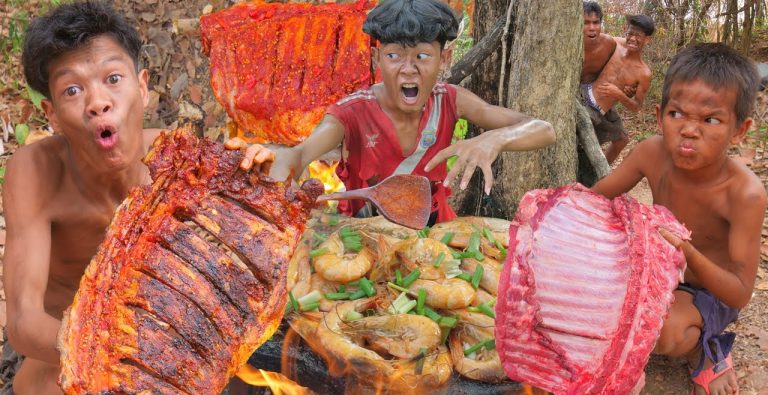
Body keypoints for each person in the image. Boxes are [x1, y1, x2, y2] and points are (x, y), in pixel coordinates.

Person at [1, 2, 274, 395]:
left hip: (157, 348)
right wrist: (115, 364)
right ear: (51, 115)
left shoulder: (178, 160)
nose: (98, 102)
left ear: (143, 88)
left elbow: (224, 273)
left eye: (113, 79)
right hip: (62, 342)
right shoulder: (36, 171)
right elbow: (21, 320)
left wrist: (255, 184)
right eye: (72, 90)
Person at [232, 0, 556, 224]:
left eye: (422, 57)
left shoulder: (451, 100)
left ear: (444, 59)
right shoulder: (352, 112)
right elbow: (302, 154)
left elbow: (544, 129)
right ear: (376, 59)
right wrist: (278, 158)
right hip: (362, 236)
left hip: (434, 232)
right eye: (394, 56)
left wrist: (496, 140)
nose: (408, 70)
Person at [592, 43, 765, 395]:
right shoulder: (650, 154)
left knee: (663, 333)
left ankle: (704, 351)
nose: (688, 130)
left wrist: (686, 253)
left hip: (709, 291)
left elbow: (738, 293)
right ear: (658, 116)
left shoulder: (745, 193)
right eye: (676, 114)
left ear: (740, 130)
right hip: (658, 272)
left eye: (711, 120)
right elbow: (594, 201)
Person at [582, 14, 654, 164]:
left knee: (622, 140)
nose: (633, 39)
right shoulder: (615, 43)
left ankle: (600, 173)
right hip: (584, 95)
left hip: (601, 111)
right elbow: (594, 41)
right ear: (625, 31)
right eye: (630, 34)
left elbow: (636, 107)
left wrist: (619, 94)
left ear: (647, 39)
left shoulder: (644, 73)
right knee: (582, 147)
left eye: (638, 36)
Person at [580, 1, 616, 85]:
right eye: (586, 23)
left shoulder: (609, 44)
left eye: (596, 22)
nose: (592, 28)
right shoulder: (568, 48)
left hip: (595, 90)